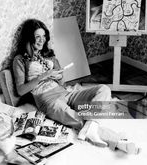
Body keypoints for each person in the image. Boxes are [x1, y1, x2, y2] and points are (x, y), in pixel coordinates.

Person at [12, 19, 140, 154]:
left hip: (66, 93)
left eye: (44, 36)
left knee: (104, 89)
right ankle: (118, 141)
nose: (41, 40)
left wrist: (59, 76)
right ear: (29, 37)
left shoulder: (48, 54)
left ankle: (92, 127)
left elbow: (62, 83)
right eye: (37, 37)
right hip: (49, 101)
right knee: (79, 121)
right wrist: (43, 76)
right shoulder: (20, 60)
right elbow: (21, 90)